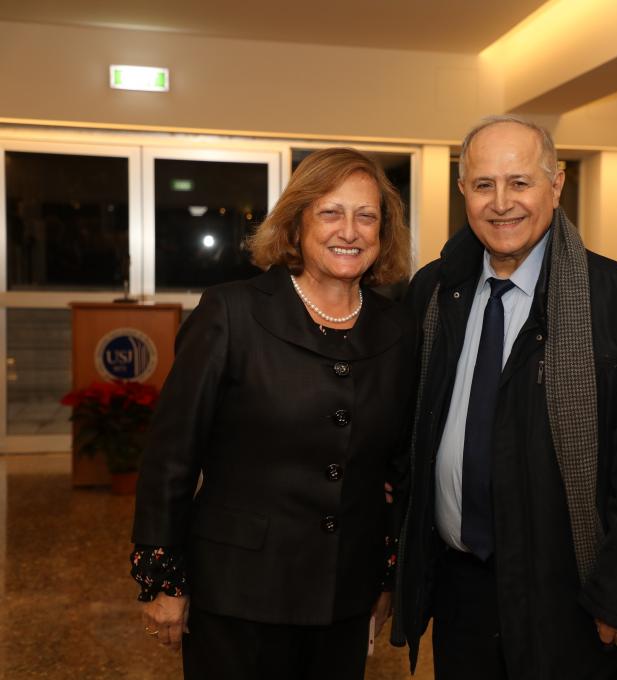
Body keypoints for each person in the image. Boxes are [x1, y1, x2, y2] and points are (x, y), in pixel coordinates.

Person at [393, 115, 617, 680]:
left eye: (520, 182)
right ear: (463, 191)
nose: (502, 203)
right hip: (460, 591)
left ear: (556, 185)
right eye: (484, 185)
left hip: (572, 597)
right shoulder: (434, 292)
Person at [130, 147, 416, 679]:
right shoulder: (232, 312)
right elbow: (172, 454)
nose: (349, 231)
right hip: (239, 591)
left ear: (384, 230)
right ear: (297, 222)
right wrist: (162, 576)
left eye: (366, 216)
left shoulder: (398, 330)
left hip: (344, 594)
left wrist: (386, 576)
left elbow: (399, 466)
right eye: (330, 212)